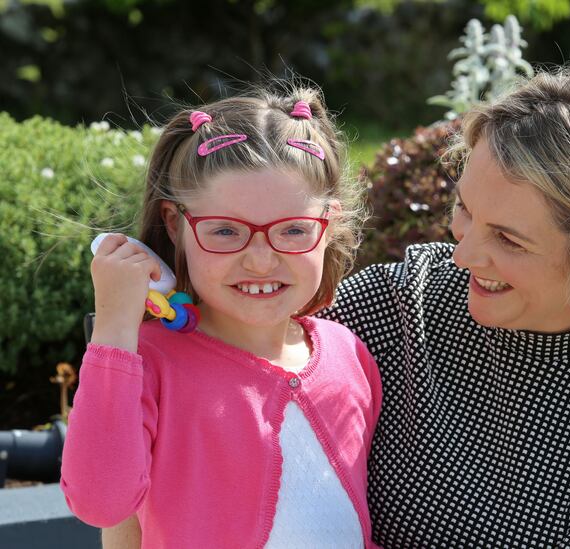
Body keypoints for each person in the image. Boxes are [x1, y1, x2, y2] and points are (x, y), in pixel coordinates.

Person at [99, 62, 570, 548]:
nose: (461, 255)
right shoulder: (397, 305)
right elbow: (175, 420)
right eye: (465, 212)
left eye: (507, 239)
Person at [60, 89, 382, 549]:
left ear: (327, 225)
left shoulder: (349, 354)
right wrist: (115, 330)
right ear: (175, 225)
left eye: (293, 229)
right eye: (225, 231)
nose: (259, 260)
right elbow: (99, 503)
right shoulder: (149, 363)